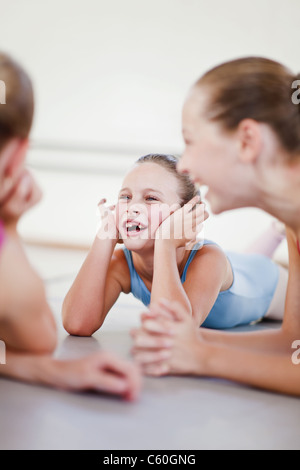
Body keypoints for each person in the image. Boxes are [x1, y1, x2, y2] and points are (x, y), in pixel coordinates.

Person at [130, 56, 300, 396]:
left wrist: (202, 356)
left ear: (247, 141)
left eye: (190, 142)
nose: (186, 165)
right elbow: (293, 344)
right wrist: (182, 339)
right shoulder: (293, 225)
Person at [0, 51, 141, 400]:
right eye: (127, 197)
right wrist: (11, 226)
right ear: (19, 154)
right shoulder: (10, 276)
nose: (134, 210)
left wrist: (36, 369)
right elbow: (42, 340)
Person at [62, 152, 288, 337]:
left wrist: (165, 243)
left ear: (185, 214)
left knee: (246, 267)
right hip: (240, 268)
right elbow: (77, 323)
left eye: (151, 198)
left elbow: (172, 332)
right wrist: (104, 239)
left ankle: (281, 229)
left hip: (269, 283)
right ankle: (276, 230)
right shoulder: (123, 262)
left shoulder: (209, 259)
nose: (133, 207)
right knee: (241, 262)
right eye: (126, 197)